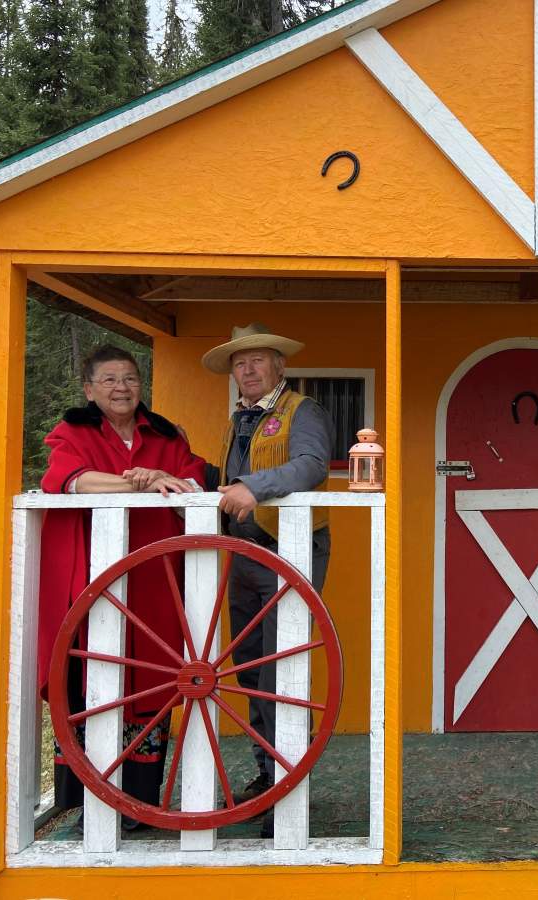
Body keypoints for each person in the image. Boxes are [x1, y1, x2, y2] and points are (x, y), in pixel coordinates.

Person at [38, 345, 206, 829]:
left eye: (129, 378)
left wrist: (166, 476)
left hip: (155, 577)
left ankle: (139, 800)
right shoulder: (75, 431)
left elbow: (193, 481)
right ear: (89, 389)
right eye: (109, 379)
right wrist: (143, 484)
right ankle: (90, 795)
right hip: (92, 575)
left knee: (152, 674)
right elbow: (68, 480)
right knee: (91, 674)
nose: (121, 388)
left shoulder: (166, 435)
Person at [201, 323, 334, 836]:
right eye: (240, 363)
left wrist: (255, 488)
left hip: (291, 552)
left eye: (258, 360)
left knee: (283, 670)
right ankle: (267, 772)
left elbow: (311, 465)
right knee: (250, 665)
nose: (248, 369)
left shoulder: (304, 410)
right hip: (245, 553)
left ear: (280, 367)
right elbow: (225, 476)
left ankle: (288, 787)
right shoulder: (238, 419)